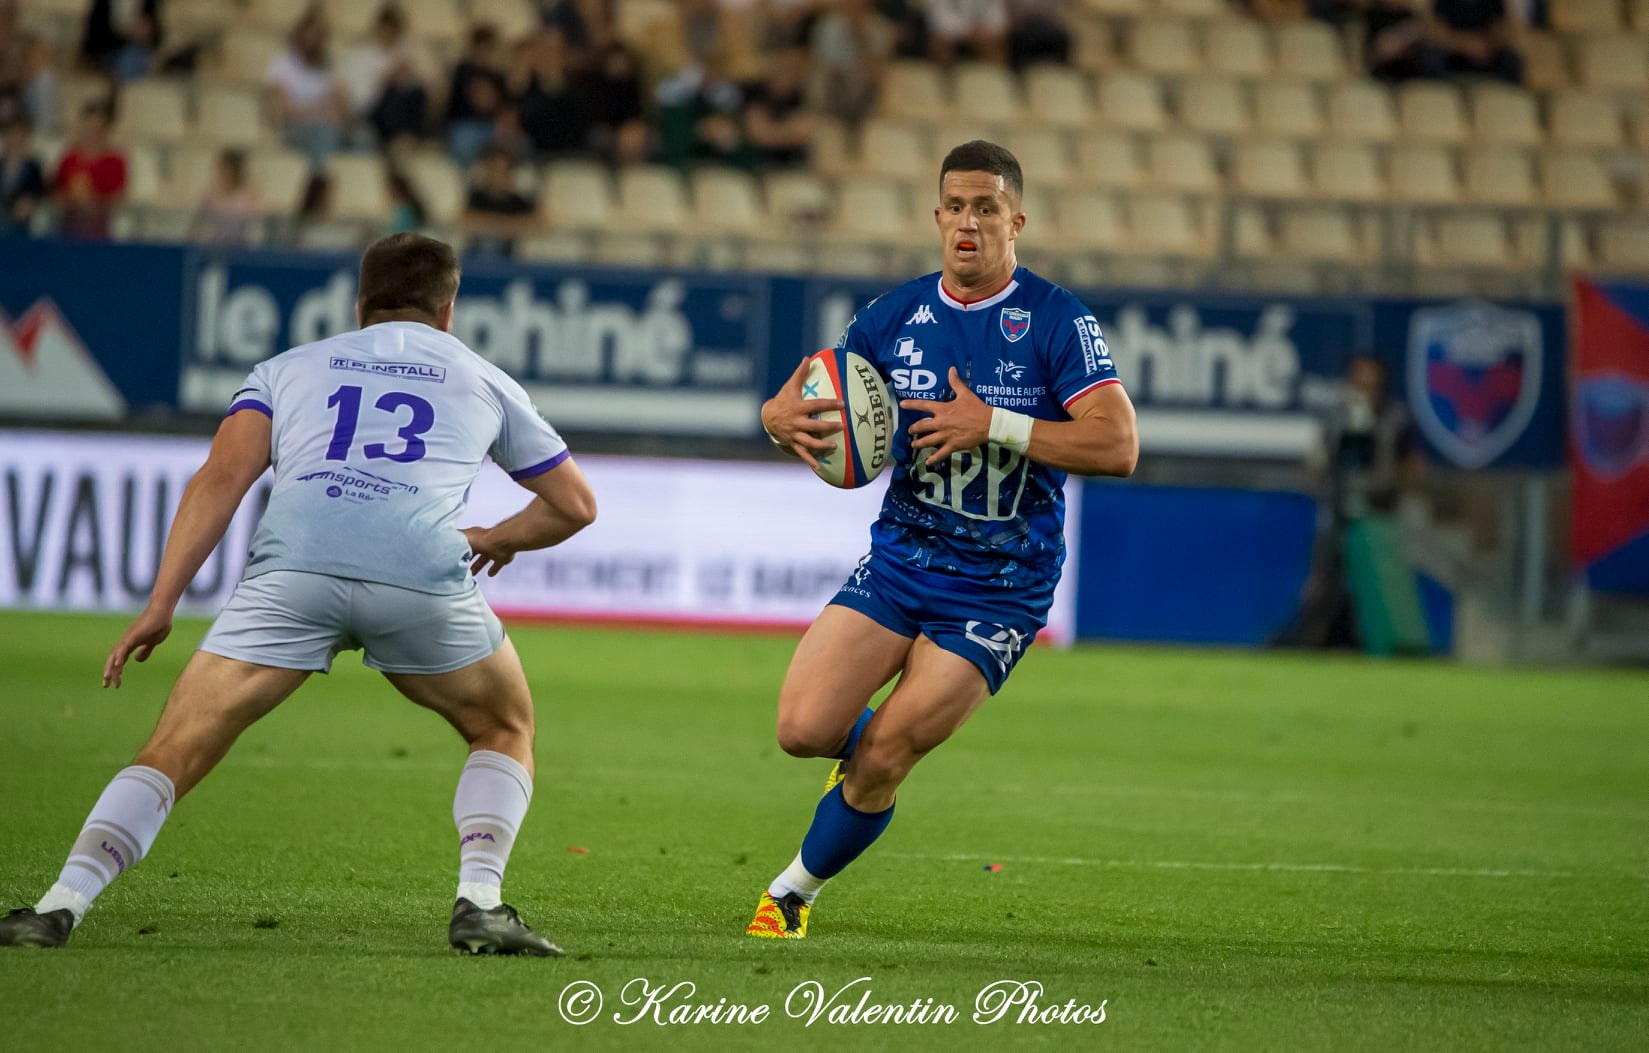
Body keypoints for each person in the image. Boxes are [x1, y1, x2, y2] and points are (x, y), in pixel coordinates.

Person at [0, 233, 598, 955]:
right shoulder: (483, 378)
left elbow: (220, 480)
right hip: (418, 574)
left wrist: (161, 603)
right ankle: (480, 900)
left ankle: (59, 905)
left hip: (294, 571)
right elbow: (574, 505)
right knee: (504, 726)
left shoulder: (287, 368)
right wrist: (500, 536)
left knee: (175, 744)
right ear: (448, 309)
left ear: (359, 303)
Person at [747, 141, 1138, 939]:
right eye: (956, 206)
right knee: (801, 730)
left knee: (886, 756)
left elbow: (1117, 446)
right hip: (900, 560)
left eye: (986, 207)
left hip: (1000, 585)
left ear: (1015, 220)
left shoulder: (1057, 320)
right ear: (936, 217)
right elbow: (821, 403)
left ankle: (790, 894)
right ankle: (861, 761)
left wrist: (991, 422)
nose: (969, 222)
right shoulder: (890, 318)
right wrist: (774, 417)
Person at [53, 98, 125, 240]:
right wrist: (73, 203)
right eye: (89, 126)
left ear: (105, 128)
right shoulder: (69, 158)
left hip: (100, 222)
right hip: (70, 220)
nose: (92, 131)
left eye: (97, 127)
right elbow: (57, 191)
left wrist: (95, 205)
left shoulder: (115, 161)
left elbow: (119, 198)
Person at [187, 147, 261, 246]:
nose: (221, 173)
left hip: (242, 249)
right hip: (214, 247)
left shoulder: (249, 197)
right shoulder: (210, 195)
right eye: (220, 168)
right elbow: (196, 226)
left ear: (236, 170)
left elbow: (256, 229)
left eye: (226, 169)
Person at [0, 114, 45, 235]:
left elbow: (40, 192)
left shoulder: (33, 167)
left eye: (19, 137)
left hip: (25, 219)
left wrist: (31, 202)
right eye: (11, 136)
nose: (15, 141)